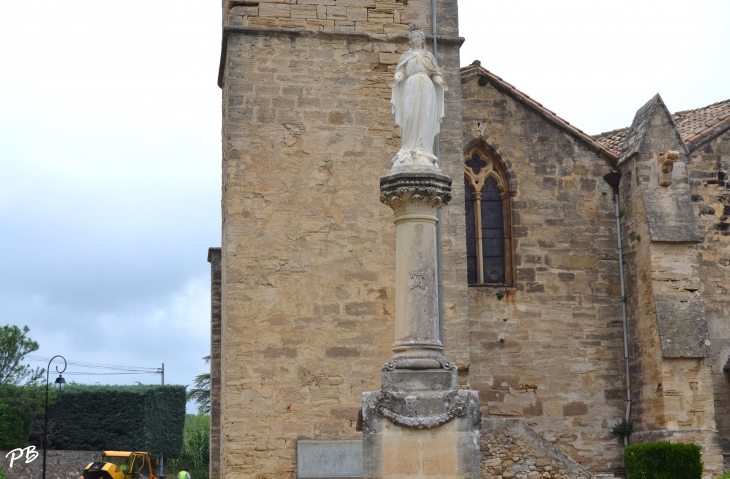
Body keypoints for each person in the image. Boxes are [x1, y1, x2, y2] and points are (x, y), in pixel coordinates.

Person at [389, 24, 449, 170]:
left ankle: (423, 150)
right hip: (411, 86)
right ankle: (408, 149)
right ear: (411, 39)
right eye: (413, 37)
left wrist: (440, 82)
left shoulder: (429, 56)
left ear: (422, 39)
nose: (416, 39)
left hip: (427, 88)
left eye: (418, 37)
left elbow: (435, 74)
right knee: (409, 116)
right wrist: (397, 77)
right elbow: (401, 71)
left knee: (425, 116)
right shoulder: (406, 56)